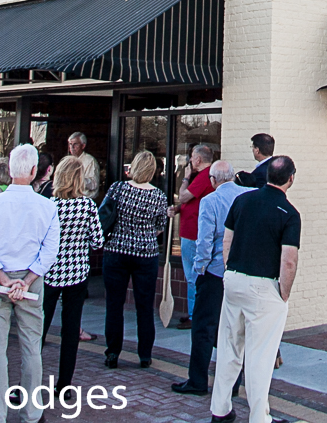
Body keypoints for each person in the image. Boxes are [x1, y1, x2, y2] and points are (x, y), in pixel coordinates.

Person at [0, 144, 59, 423]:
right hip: (30, 281)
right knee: (32, 348)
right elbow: (50, 250)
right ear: (35, 171)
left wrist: (3, 279)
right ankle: (32, 413)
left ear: (9, 170)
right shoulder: (46, 206)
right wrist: (27, 280)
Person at [210, 156, 301, 423]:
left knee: (229, 347)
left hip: (235, 280)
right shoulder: (290, 214)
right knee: (260, 356)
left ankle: (220, 409)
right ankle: (259, 418)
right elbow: (289, 260)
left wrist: (229, 271)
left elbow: (227, 240)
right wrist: (284, 292)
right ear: (291, 178)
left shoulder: (242, 201)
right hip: (265, 286)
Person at [172, 159, 252, 396]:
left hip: (215, 272)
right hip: (241, 271)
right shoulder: (248, 196)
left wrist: (199, 270)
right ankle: (233, 384)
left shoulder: (210, 200)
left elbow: (204, 242)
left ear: (213, 180)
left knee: (203, 327)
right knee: (235, 329)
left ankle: (197, 380)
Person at [101, 149, 168, 369]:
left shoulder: (118, 189)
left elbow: (105, 214)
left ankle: (113, 352)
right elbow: (160, 226)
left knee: (114, 304)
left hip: (117, 250)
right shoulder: (158, 196)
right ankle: (145, 354)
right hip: (145, 254)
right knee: (145, 306)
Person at [40, 156, 103, 391]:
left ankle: (28, 380)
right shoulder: (86, 206)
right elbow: (97, 241)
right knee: (70, 329)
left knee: (39, 328)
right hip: (76, 273)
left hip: (49, 273)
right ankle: (64, 383)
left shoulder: (47, 205)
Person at [169, 145, 215, 329]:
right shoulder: (206, 176)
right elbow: (190, 202)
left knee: (192, 275)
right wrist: (178, 209)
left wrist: (185, 177)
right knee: (193, 274)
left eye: (191, 157)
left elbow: (183, 196)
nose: (189, 160)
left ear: (198, 159)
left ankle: (193, 314)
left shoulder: (203, 176)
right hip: (191, 229)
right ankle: (193, 312)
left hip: (192, 233)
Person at [67, 133, 99, 197]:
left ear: (83, 146)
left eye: (75, 144)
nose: (72, 147)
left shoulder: (90, 160)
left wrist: (77, 179)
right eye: (70, 144)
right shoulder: (68, 161)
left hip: (85, 200)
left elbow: (94, 184)